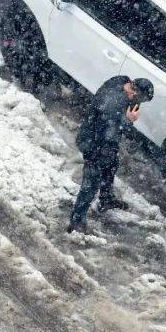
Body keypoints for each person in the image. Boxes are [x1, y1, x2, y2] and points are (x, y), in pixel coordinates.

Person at [67, 76, 154, 234]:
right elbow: (111, 128)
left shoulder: (121, 81)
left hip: (102, 141)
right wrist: (128, 120)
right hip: (94, 143)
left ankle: (106, 199)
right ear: (134, 93)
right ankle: (76, 222)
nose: (139, 103)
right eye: (141, 99)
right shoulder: (113, 103)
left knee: (111, 165)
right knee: (90, 183)